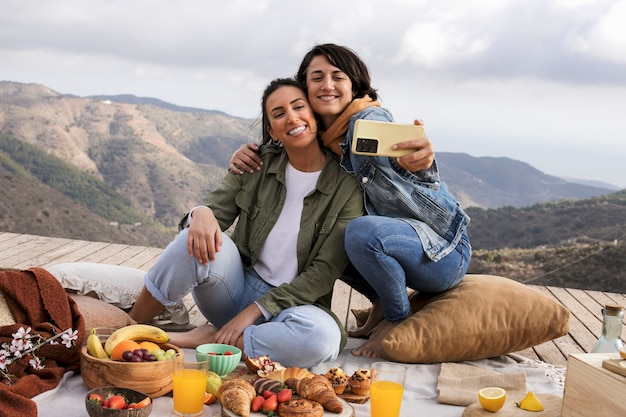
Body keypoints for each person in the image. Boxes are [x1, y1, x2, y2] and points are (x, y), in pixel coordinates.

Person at [229, 44, 471, 358]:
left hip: (440, 251)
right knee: (323, 234)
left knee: (357, 230)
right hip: (392, 250)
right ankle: (382, 302)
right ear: (306, 87)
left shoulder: (368, 120)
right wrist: (246, 154)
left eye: (337, 76)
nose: (327, 85)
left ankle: (396, 319)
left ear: (353, 85)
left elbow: (408, 152)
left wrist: (422, 158)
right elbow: (282, 146)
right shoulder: (323, 137)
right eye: (317, 77)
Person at [128, 78, 364, 367]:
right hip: (234, 288)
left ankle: (211, 340)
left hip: (292, 307)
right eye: (279, 113)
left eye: (299, 107)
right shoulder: (256, 162)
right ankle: (128, 327)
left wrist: (256, 310)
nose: (291, 117)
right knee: (190, 240)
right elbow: (215, 211)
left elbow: (323, 273)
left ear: (314, 114)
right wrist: (199, 213)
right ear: (272, 131)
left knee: (322, 339)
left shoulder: (347, 187)